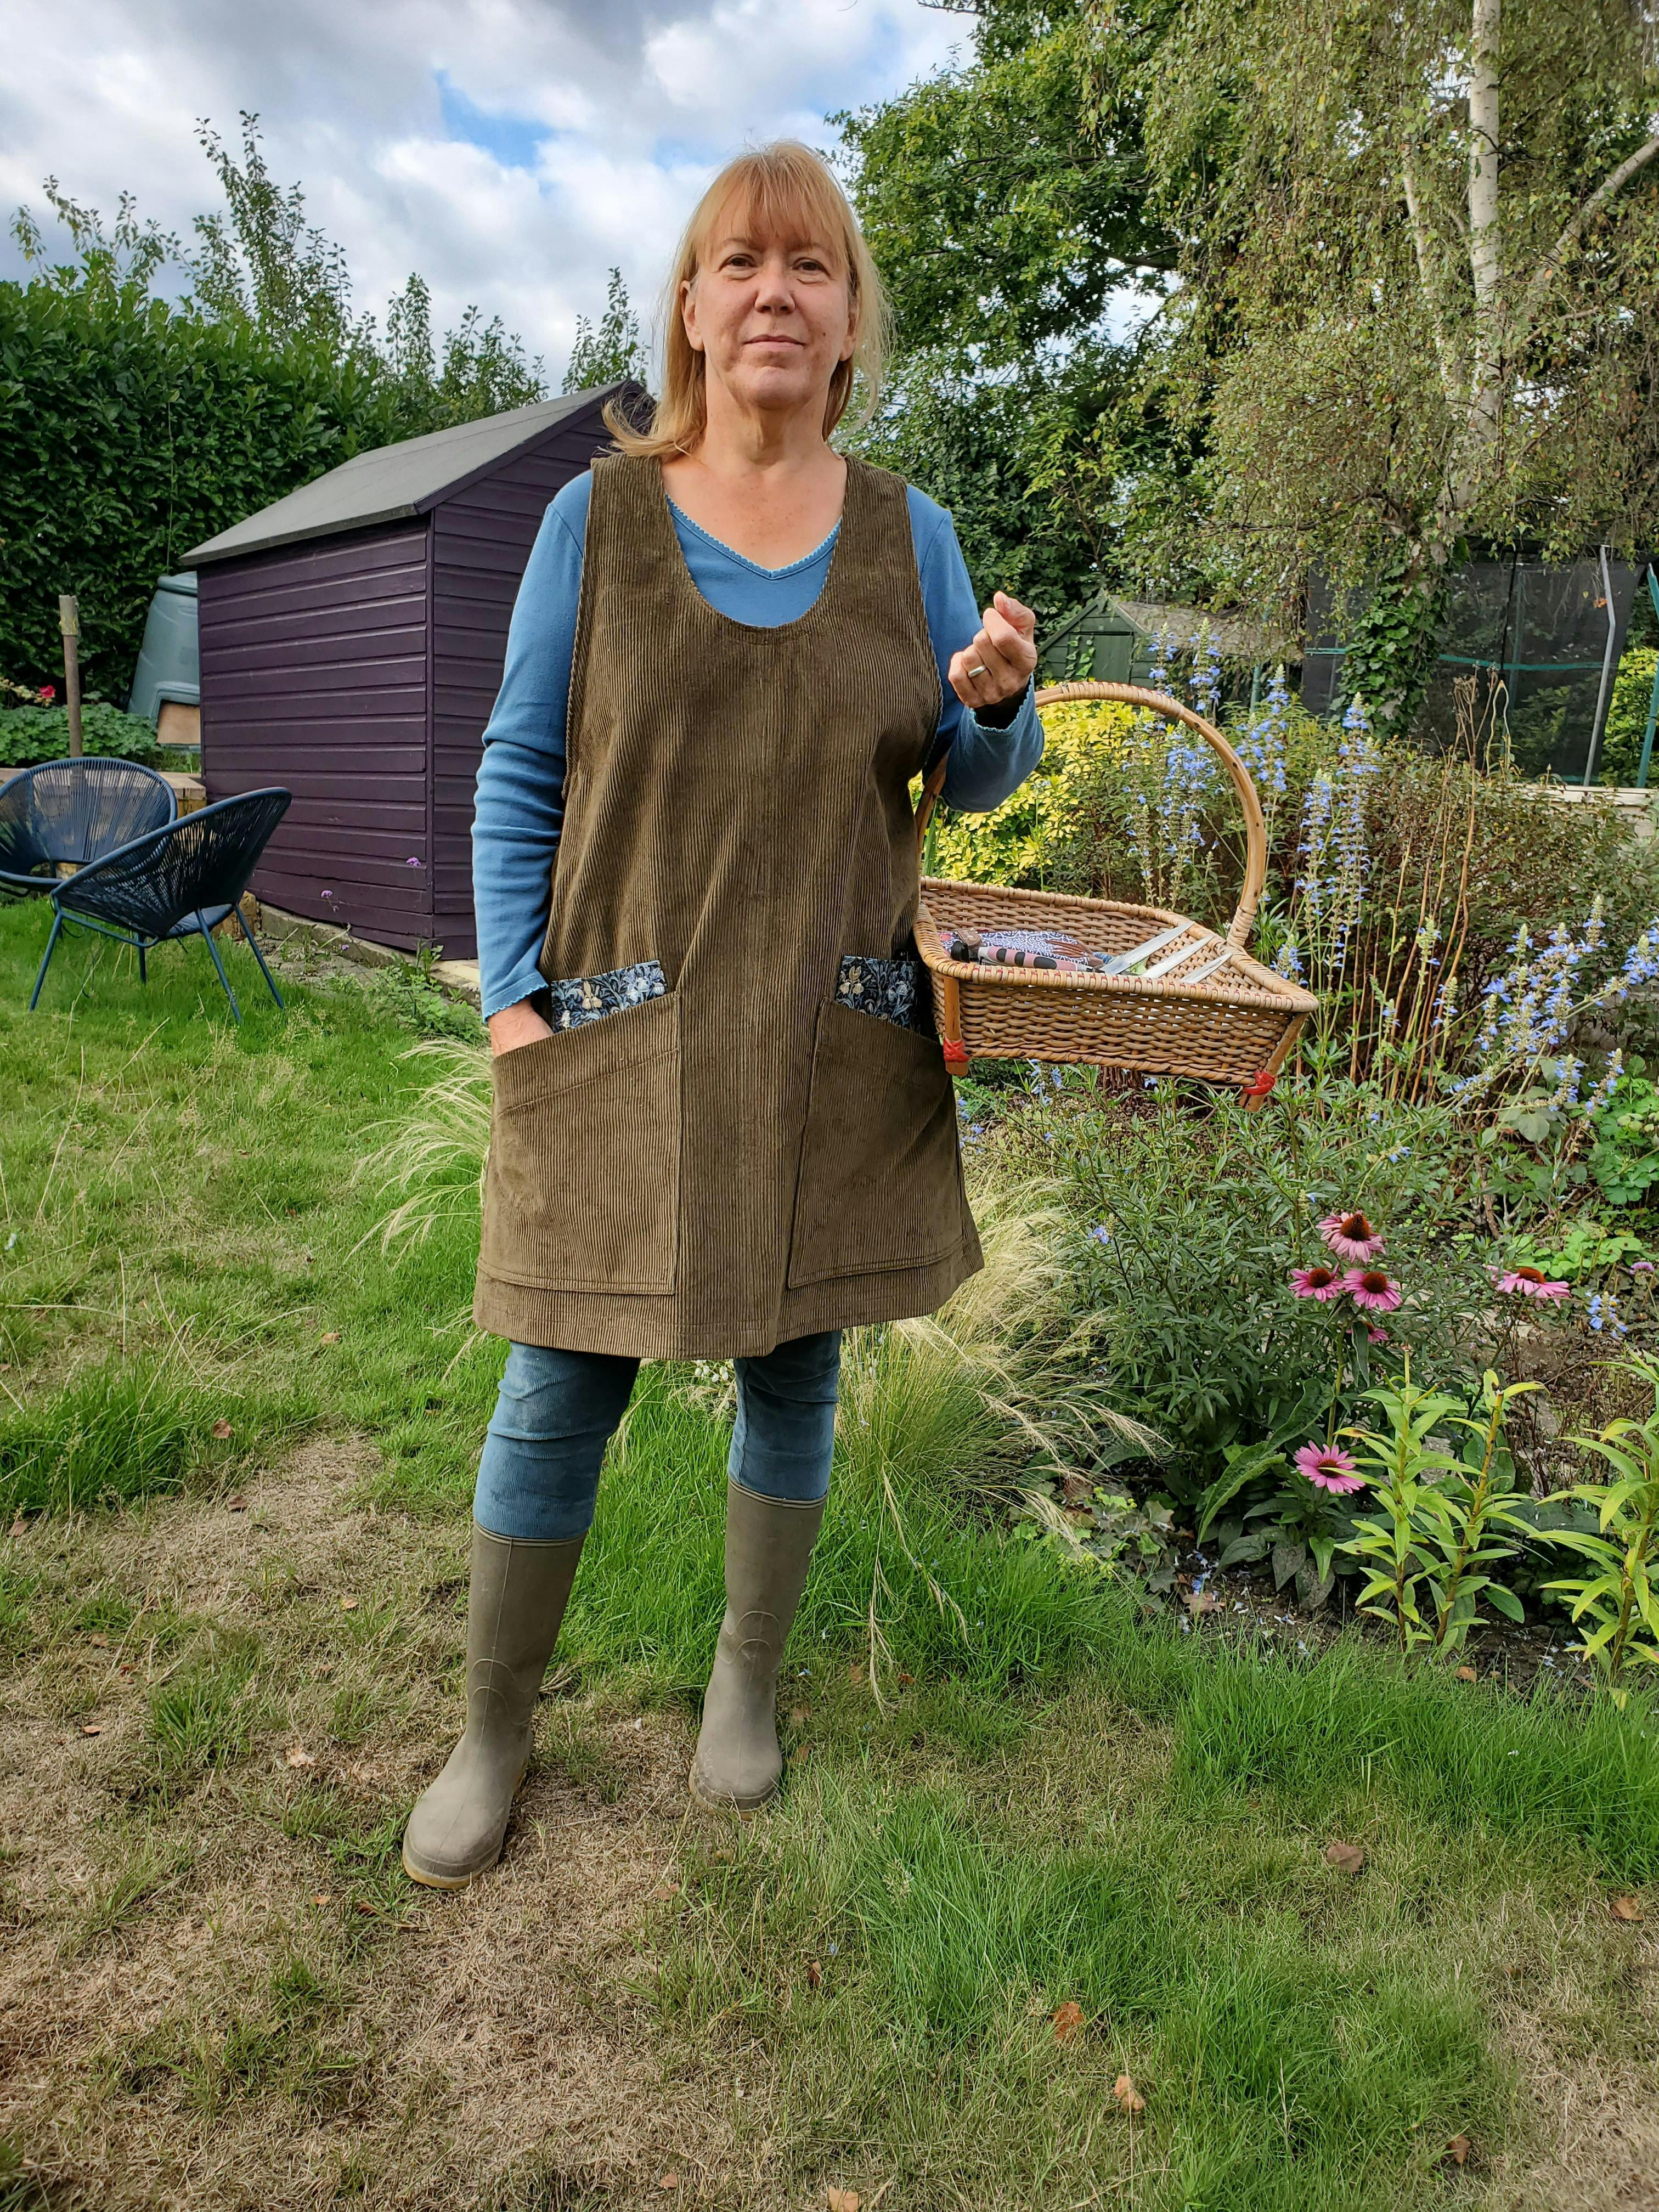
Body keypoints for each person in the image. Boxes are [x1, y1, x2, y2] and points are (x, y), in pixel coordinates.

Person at [402, 139, 1042, 1888]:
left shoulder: (911, 534)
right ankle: (492, 1729)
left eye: (811, 267)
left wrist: (997, 702)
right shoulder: (594, 521)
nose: (775, 293)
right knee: (559, 1380)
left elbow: (963, 772)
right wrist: (514, 1006)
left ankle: (742, 1689)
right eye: (740, 264)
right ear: (689, 311)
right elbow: (519, 769)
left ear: (850, 324)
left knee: (794, 1362)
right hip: (615, 1025)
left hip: (827, 1029)